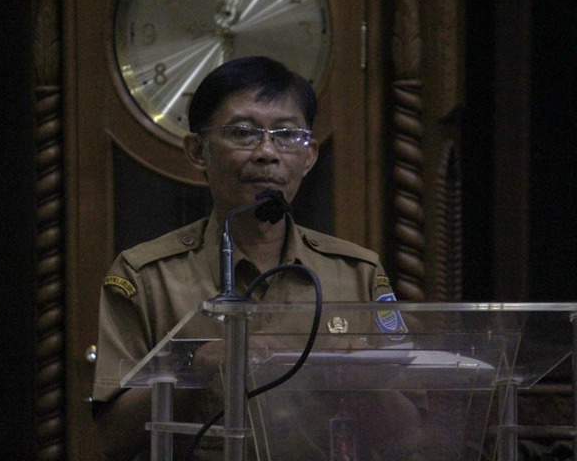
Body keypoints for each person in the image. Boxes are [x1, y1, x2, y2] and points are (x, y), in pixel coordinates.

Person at [92, 56, 423, 460]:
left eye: (287, 135)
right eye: (243, 133)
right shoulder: (146, 277)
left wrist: (357, 384)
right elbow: (112, 439)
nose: (267, 152)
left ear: (309, 156)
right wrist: (196, 366)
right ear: (198, 151)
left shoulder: (357, 274)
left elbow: (411, 436)